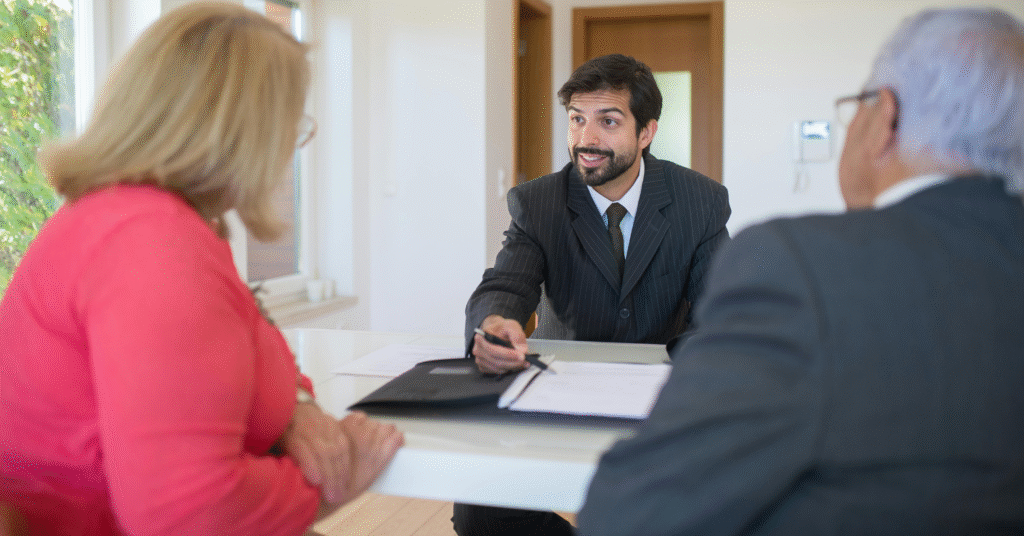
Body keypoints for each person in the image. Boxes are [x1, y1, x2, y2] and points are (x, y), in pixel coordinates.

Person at [577, 7, 1024, 535]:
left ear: (884, 119)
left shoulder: (794, 266)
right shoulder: (541, 200)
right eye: (579, 118)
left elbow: (632, 511)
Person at [0, 2, 403, 534]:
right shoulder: (152, 247)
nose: (292, 147)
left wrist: (296, 410)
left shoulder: (139, 217)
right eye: (292, 124)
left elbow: (256, 341)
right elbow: (188, 514)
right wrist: (339, 474)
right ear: (247, 131)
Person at [455, 54, 730, 535]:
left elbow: (717, 312)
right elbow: (507, 283)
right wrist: (496, 323)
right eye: (577, 120)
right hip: (562, 391)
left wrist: (690, 387)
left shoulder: (700, 201)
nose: (586, 139)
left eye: (608, 121)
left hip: (659, 396)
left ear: (646, 132)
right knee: (479, 508)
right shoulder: (538, 202)